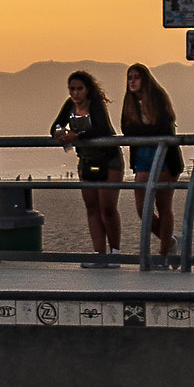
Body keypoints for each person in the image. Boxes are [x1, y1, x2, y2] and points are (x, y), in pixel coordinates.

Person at [51, 71, 124, 259]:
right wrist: (60, 133)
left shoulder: (96, 105)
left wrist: (78, 135)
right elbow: (55, 125)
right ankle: (98, 253)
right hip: (86, 159)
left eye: (79, 89)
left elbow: (101, 129)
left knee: (107, 207)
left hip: (109, 159)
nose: (75, 93)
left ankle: (115, 252)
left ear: (87, 89)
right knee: (92, 207)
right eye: (72, 89)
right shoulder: (69, 106)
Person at [121, 64, 186, 259]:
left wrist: (141, 131)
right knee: (143, 210)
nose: (132, 81)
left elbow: (162, 128)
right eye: (130, 77)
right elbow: (127, 129)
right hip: (142, 158)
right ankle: (172, 241)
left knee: (163, 206)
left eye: (136, 77)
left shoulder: (157, 97)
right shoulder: (129, 102)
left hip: (165, 156)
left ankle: (164, 251)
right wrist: (145, 132)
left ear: (145, 79)